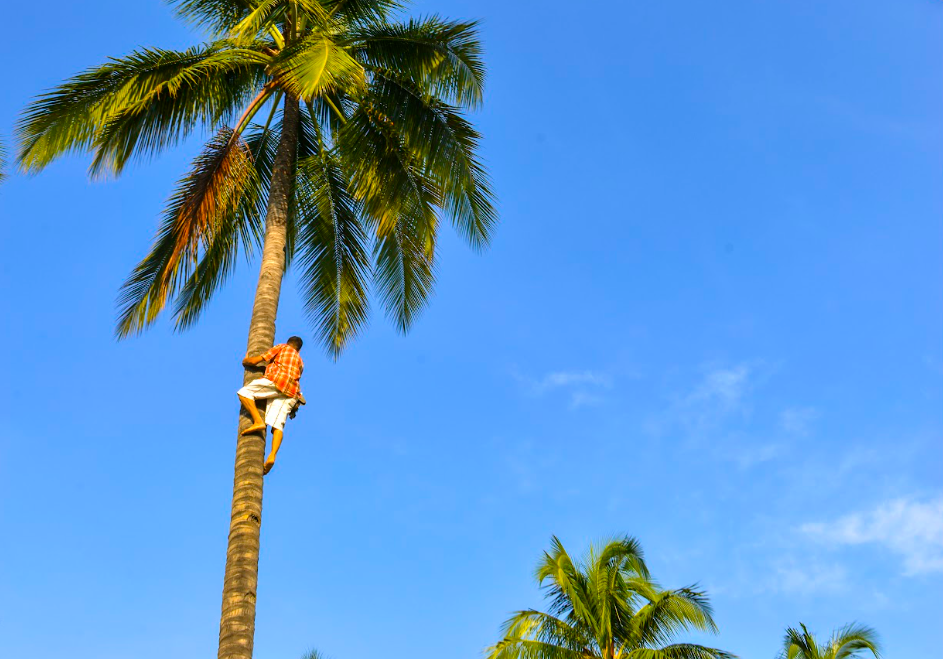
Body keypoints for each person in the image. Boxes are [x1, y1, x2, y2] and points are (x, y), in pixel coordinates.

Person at [237, 336, 306, 475]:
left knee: (244, 393)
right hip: (292, 392)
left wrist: (246, 361)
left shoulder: (282, 347)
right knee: (278, 424)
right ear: (299, 349)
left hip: (277, 382)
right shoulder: (300, 361)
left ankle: (258, 421)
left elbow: (257, 360)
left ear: (289, 343)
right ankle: (272, 455)